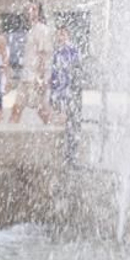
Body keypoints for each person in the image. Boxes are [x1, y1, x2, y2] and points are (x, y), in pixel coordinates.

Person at [9, 2, 54, 125]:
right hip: (26, 76)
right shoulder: (32, 30)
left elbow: (43, 55)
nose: (30, 11)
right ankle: (9, 136)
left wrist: (42, 78)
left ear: (39, 12)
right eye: (29, 8)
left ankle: (57, 132)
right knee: (17, 108)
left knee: (42, 111)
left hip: (35, 77)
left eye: (34, 9)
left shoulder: (42, 29)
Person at [48, 25, 83, 163]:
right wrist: (53, 94)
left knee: (71, 122)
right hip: (61, 92)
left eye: (62, 34)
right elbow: (54, 75)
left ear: (68, 35)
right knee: (65, 122)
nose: (60, 37)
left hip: (70, 92)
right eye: (58, 34)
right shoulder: (57, 53)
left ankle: (71, 155)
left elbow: (76, 70)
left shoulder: (73, 50)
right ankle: (67, 155)